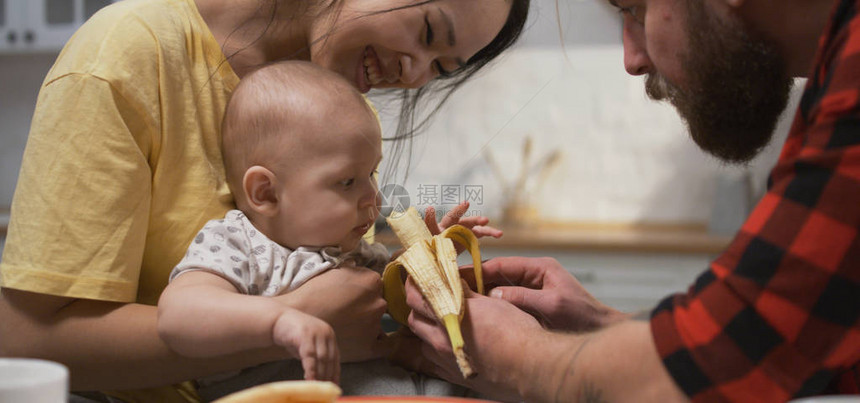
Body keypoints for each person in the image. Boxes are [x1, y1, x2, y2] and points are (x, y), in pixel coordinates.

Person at [0, 0, 528, 401]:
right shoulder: (126, 55)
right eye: (429, 33)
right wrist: (291, 321)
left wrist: (420, 282)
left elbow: (341, 286)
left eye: (440, 68)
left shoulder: (339, 104)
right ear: (260, 190)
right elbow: (23, 344)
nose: (413, 76)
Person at [401, 0, 860, 401]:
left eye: (633, 8)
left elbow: (715, 373)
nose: (632, 59)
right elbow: (781, 340)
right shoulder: (831, 81)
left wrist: (514, 356)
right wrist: (601, 325)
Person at [157, 60, 385, 390]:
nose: (373, 197)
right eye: (348, 181)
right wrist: (278, 318)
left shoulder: (355, 251)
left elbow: (402, 301)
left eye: (372, 174)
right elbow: (177, 316)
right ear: (267, 193)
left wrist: (438, 254)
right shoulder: (240, 246)